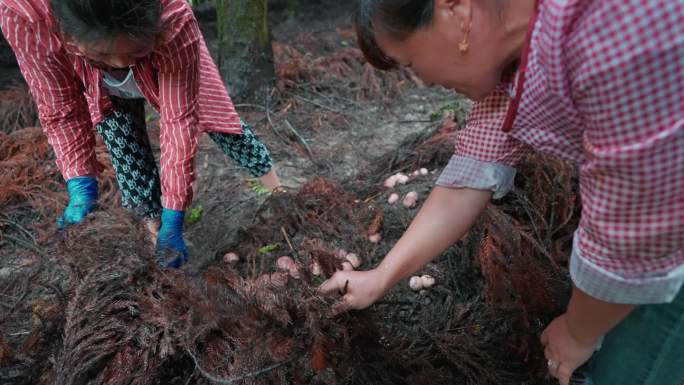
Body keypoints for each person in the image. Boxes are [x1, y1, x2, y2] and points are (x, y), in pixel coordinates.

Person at [320, 1, 684, 384]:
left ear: (455, 11)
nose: (424, 82)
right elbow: (472, 170)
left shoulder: (611, 32)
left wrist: (578, 332)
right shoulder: (518, 56)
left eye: (410, 64)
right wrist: (381, 277)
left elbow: (634, 234)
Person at [0, 0, 282, 268]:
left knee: (221, 122)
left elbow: (178, 122)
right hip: (102, 88)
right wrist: (79, 179)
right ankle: (155, 237)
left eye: (133, 53)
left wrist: (176, 211)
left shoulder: (174, 18)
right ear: (67, 33)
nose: (121, 63)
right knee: (125, 148)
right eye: (103, 55)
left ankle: (279, 196)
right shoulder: (25, 16)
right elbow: (61, 108)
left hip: (167, 61)